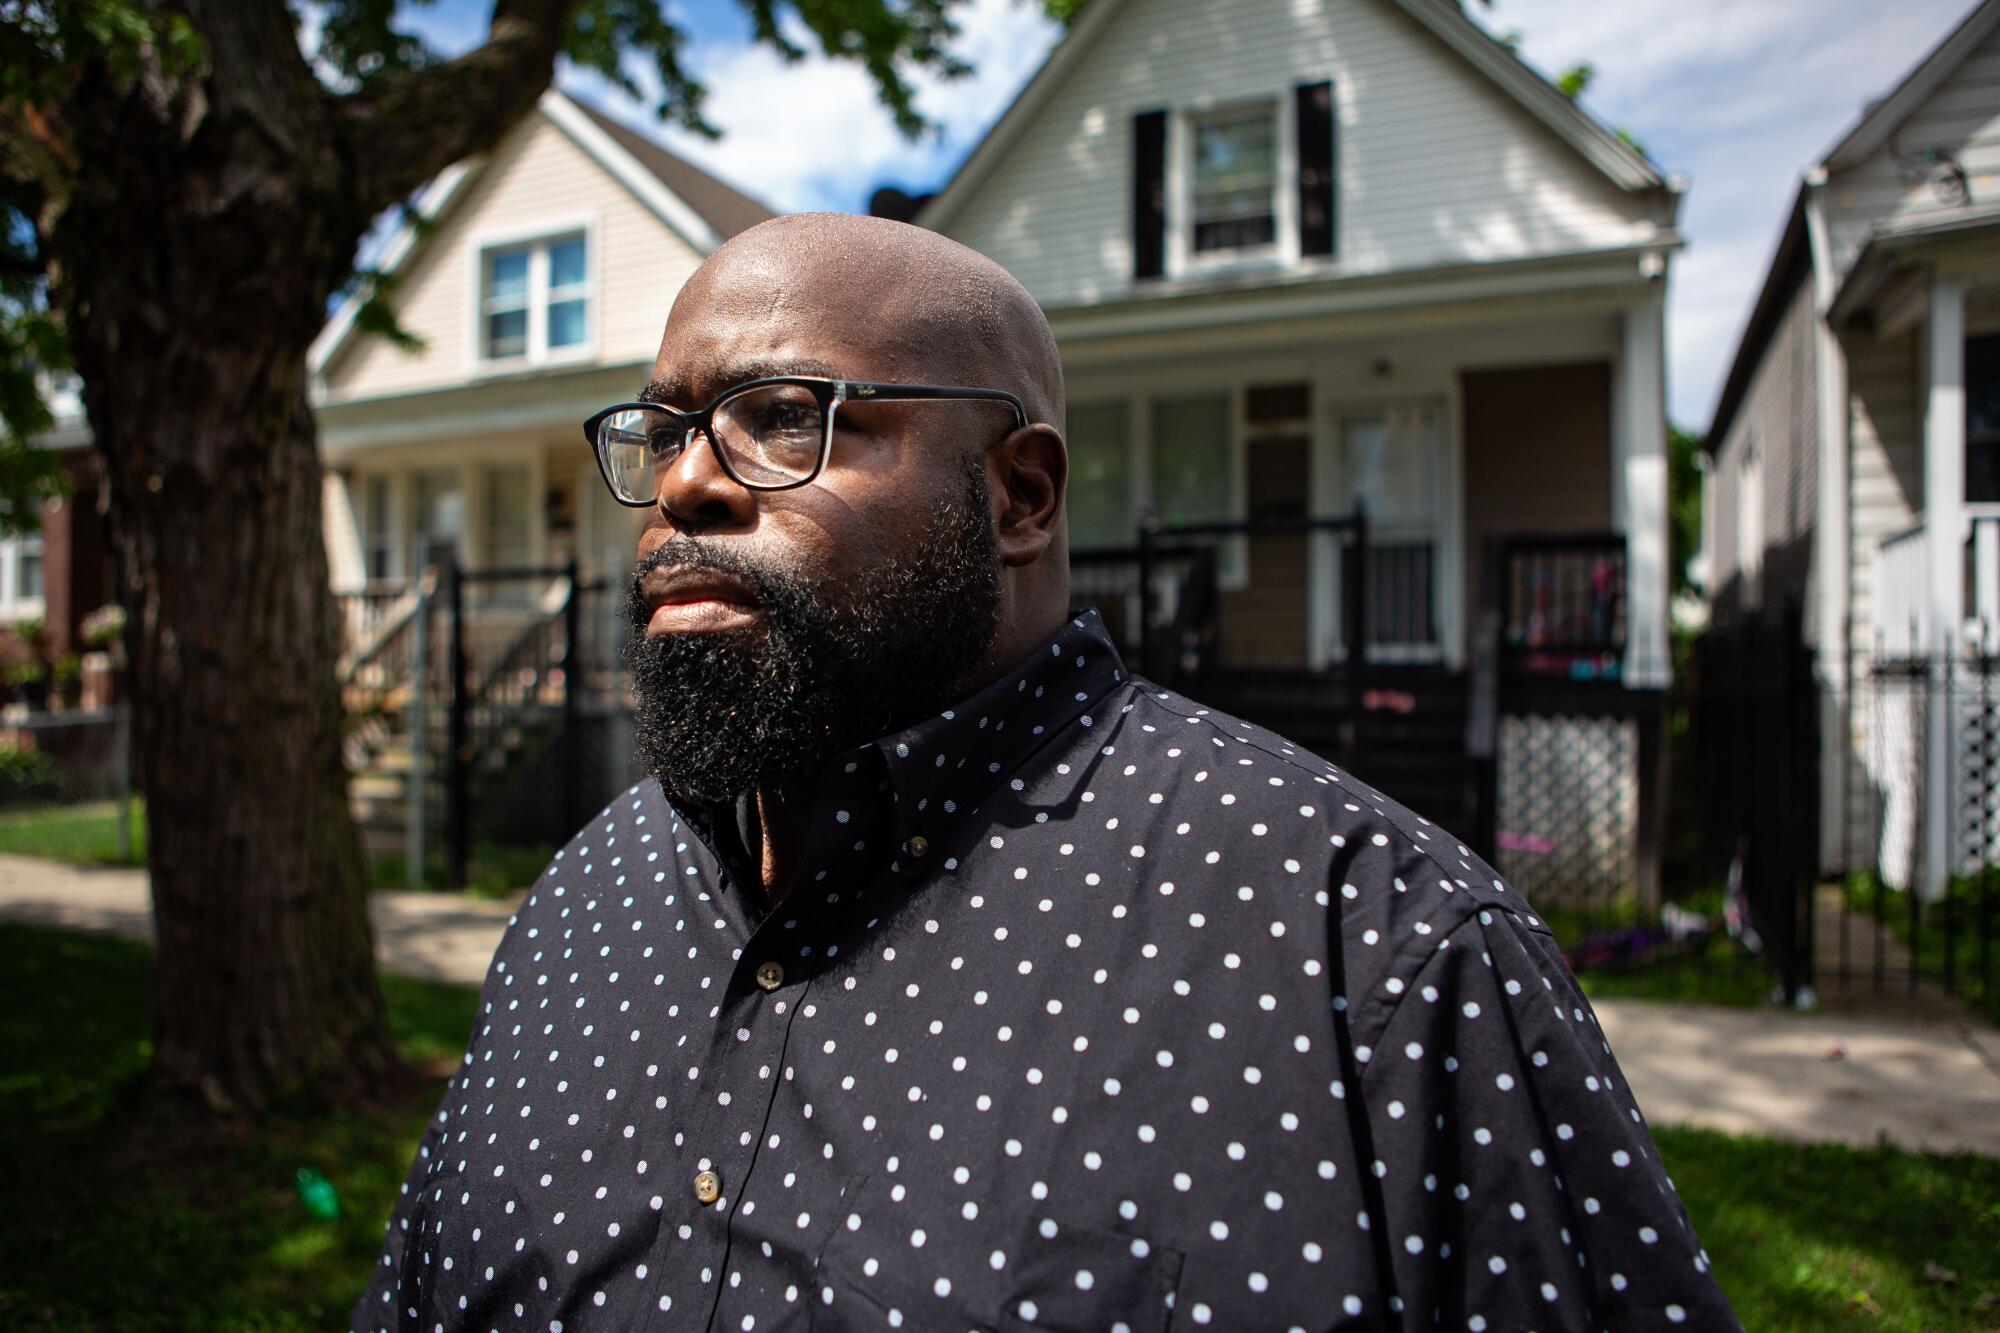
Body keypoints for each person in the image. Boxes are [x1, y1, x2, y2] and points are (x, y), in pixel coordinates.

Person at [354, 213, 1736, 1332]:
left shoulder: (1376, 954)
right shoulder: (581, 906)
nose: (684, 486)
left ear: (1018, 496)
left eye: (782, 416)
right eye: (662, 431)